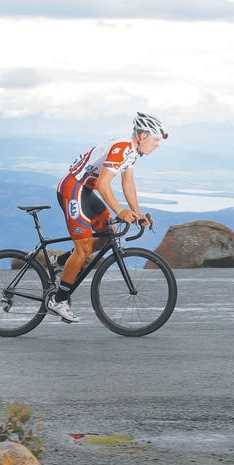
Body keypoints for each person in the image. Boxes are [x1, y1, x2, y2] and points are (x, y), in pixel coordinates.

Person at [48, 112, 169, 322]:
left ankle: (59, 262)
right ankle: (59, 300)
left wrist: (137, 212)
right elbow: (104, 184)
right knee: (84, 248)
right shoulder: (122, 148)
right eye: (155, 139)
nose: (157, 145)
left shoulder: (131, 152)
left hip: (86, 191)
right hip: (73, 188)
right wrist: (121, 211)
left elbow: (127, 183)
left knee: (107, 235)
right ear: (142, 135)